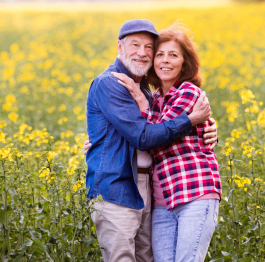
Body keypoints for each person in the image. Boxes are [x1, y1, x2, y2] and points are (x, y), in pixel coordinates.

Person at [85, 19, 218, 262]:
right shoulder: (110, 83)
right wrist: (191, 120)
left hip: (152, 189)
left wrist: (207, 126)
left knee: (147, 258)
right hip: (118, 186)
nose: (142, 53)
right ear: (119, 47)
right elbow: (144, 136)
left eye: (149, 48)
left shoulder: (147, 90)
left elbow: (162, 123)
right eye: (135, 44)